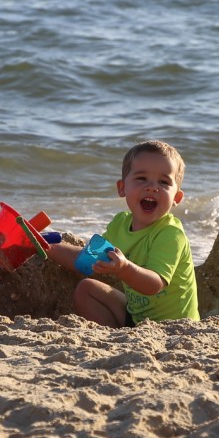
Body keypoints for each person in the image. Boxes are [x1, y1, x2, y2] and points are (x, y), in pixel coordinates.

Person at [49, 140, 200, 326]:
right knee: (86, 290)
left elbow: (154, 285)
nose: (152, 187)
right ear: (122, 188)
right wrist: (48, 247)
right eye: (141, 178)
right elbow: (85, 259)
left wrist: (125, 269)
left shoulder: (170, 233)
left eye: (164, 182)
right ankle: (115, 336)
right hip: (136, 318)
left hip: (174, 327)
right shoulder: (120, 224)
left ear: (176, 197)